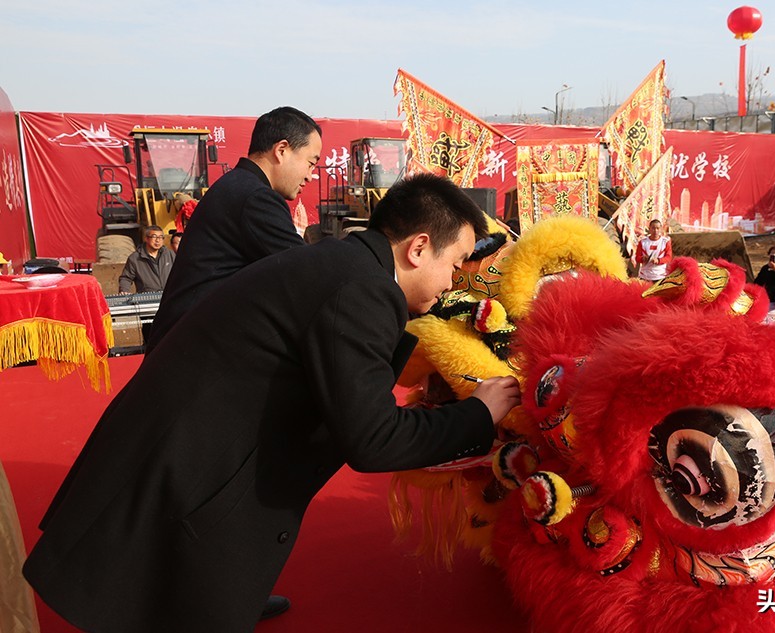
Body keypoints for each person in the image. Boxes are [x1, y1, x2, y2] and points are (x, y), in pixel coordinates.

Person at [22, 174, 522, 633]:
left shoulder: (346, 262)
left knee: (187, 589)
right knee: (167, 601)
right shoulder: (363, 290)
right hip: (188, 463)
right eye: (454, 264)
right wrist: (479, 411)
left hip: (193, 441)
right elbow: (373, 440)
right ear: (418, 248)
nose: (454, 281)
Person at [146, 106, 323, 352]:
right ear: (281, 150)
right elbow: (307, 275)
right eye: (311, 163)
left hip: (183, 345)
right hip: (191, 355)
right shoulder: (255, 198)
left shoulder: (238, 185)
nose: (311, 175)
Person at [117, 225, 175, 294]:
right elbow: (126, 278)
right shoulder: (135, 258)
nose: (157, 240)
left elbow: (181, 273)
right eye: (154, 237)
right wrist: (124, 291)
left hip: (169, 297)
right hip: (148, 300)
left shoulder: (170, 254)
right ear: (146, 238)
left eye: (160, 237)